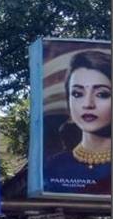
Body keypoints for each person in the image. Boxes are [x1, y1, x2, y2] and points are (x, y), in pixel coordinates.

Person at [43, 49, 111, 195]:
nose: (88, 104)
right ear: (68, 100)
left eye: (102, 94)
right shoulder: (55, 167)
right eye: (77, 94)